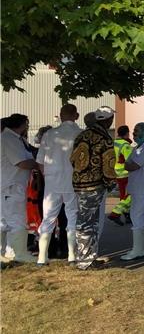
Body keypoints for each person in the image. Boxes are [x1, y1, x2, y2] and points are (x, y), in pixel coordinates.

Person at [70, 106, 117, 270]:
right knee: (89, 222)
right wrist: (111, 183)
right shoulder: (104, 138)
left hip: (79, 183)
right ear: (107, 120)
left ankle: (85, 257)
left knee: (84, 220)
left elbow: (73, 159)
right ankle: (86, 261)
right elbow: (109, 165)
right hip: (94, 185)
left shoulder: (81, 135)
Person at [35, 104, 82, 265]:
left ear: (61, 116)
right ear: (76, 116)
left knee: (48, 217)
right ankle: (72, 255)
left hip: (52, 182)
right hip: (73, 181)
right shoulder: (81, 134)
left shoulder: (49, 134)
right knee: (72, 216)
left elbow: (40, 161)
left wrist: (47, 175)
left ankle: (42, 257)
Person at [1, 114, 39, 263]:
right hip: (11, 186)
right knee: (17, 220)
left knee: (4, 221)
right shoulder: (9, 139)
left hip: (10, 185)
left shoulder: (15, 139)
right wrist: (38, 164)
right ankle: (20, 253)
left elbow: (30, 152)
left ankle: (7, 252)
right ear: (23, 124)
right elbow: (22, 163)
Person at [120, 123, 144, 261]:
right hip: (139, 187)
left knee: (138, 218)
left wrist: (128, 164)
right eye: (134, 131)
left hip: (143, 188)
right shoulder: (139, 148)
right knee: (142, 218)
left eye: (137, 132)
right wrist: (128, 164)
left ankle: (137, 250)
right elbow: (127, 164)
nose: (134, 134)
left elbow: (132, 165)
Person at [108, 126, 134, 226]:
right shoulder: (125, 145)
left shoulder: (114, 142)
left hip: (117, 172)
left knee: (124, 195)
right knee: (130, 194)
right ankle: (115, 213)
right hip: (125, 172)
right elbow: (129, 160)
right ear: (127, 133)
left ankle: (127, 215)